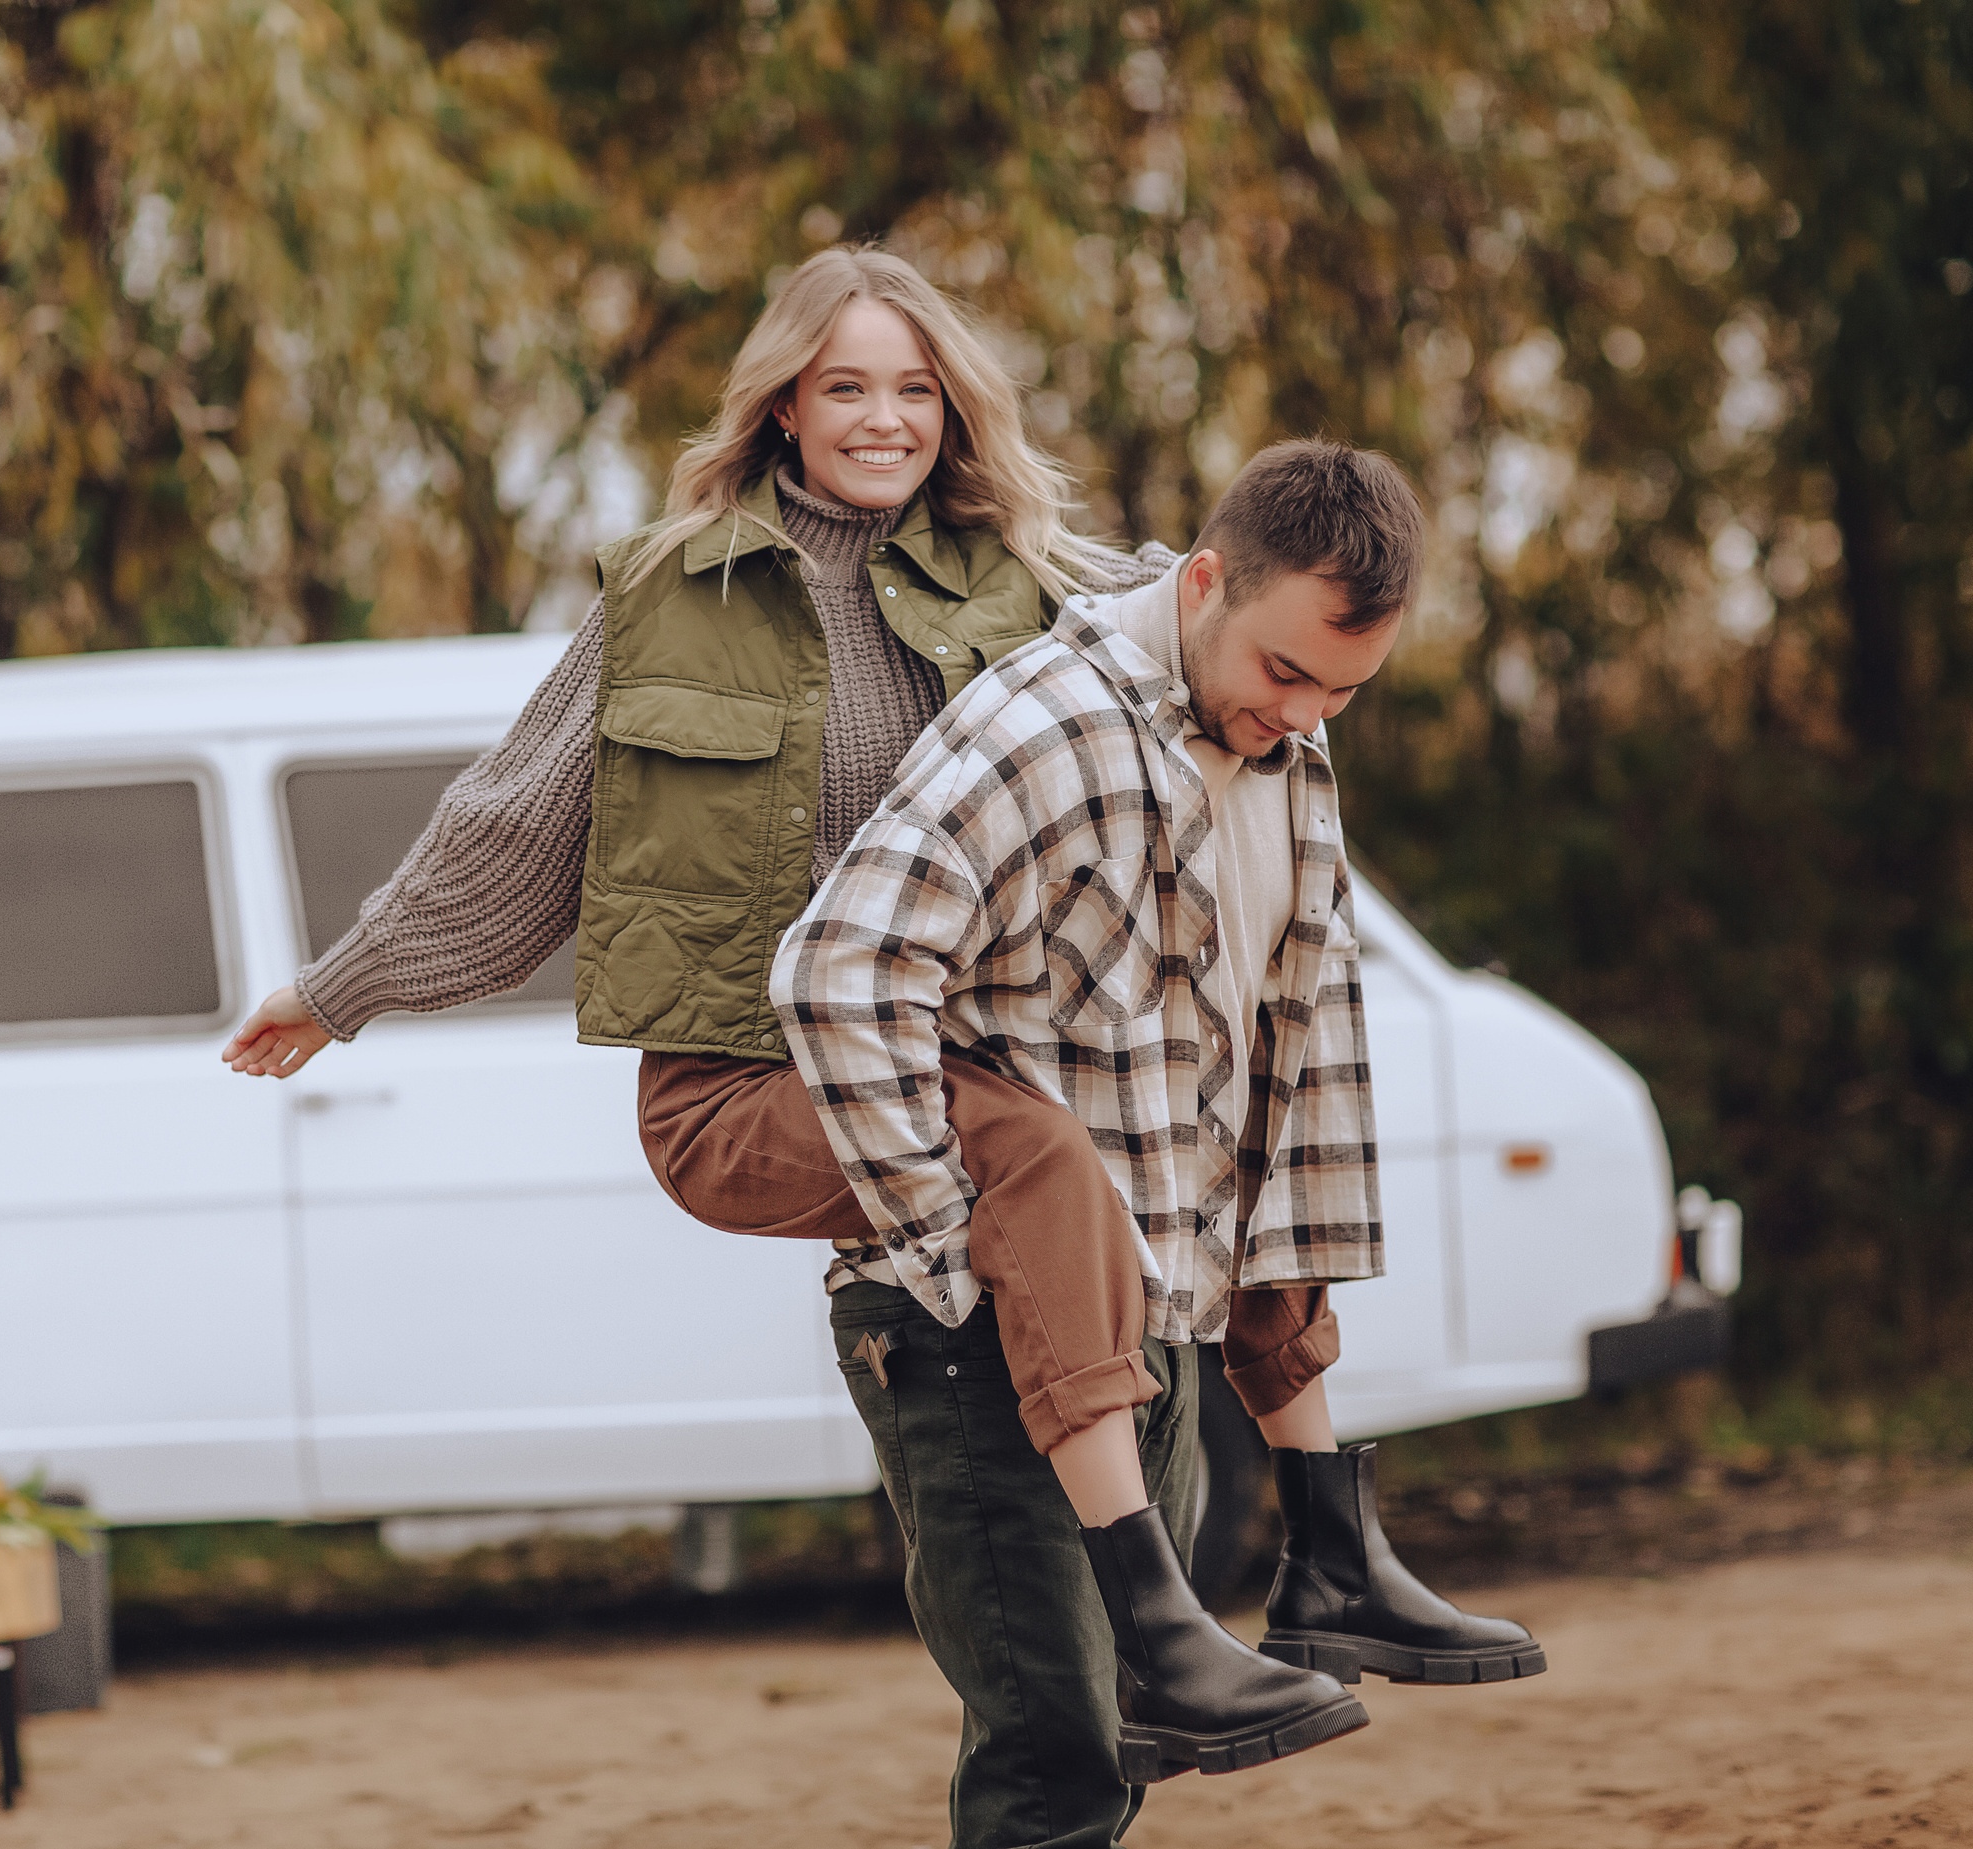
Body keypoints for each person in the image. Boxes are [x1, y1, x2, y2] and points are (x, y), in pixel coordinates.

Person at [225, 245, 1215, 1846]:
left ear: (954, 408)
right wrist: (341, 987)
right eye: (846, 387)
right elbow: (509, 828)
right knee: (1032, 1161)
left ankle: (1202, 1605)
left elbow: (1207, 634)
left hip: (990, 1090)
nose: (883, 419)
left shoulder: (1034, 584)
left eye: (914, 388)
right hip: (750, 1087)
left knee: (1089, 1201)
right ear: (785, 405)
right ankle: (1159, 1621)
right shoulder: (675, 584)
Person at [769, 438, 1546, 1787]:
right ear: (1202, 584)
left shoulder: (1286, 752)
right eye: (1285, 670)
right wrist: (957, 1246)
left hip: (1150, 1320)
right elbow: (838, 970)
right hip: (978, 1331)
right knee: (1057, 1745)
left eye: (1343, 690)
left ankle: (1334, 1556)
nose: (1304, 712)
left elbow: (1280, 1057)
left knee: (1129, 1751)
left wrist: (1282, 1384)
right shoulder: (1050, 728)